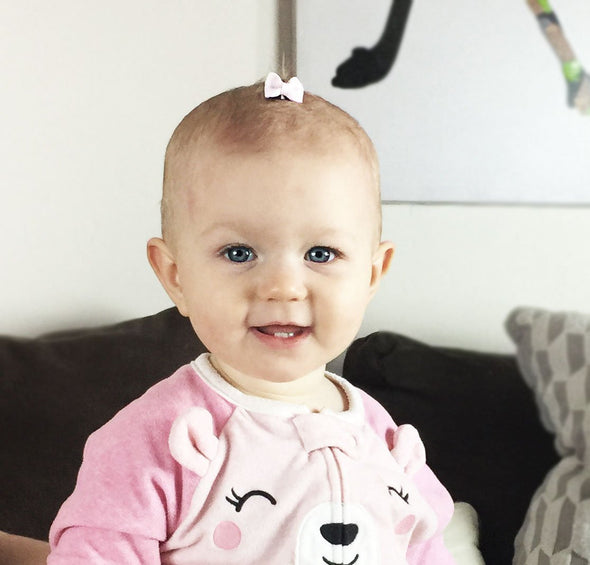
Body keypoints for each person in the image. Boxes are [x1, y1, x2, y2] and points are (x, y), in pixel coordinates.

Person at [46, 73, 456, 564]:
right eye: (239, 252)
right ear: (175, 276)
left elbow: (426, 547)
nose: (282, 287)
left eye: (321, 253)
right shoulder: (157, 439)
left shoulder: (381, 436)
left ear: (372, 274)